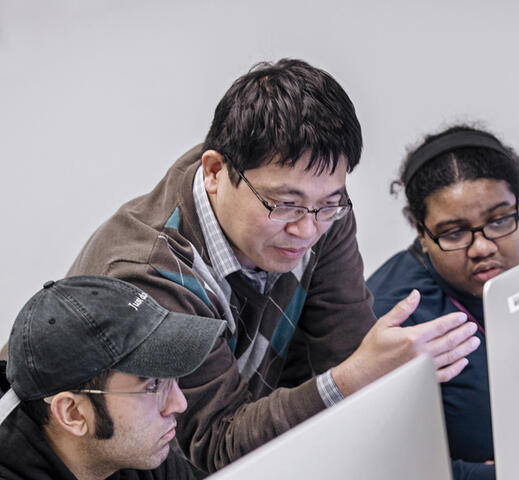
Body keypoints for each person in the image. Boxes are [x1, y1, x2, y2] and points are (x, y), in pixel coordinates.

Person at [59, 59, 480, 473]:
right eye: (286, 204)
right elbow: (214, 447)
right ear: (214, 173)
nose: (307, 229)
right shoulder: (151, 276)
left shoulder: (319, 216)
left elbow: (345, 355)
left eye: (329, 203)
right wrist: (351, 378)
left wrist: (377, 372)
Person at [366, 124, 519, 480]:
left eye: (500, 220)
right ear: (421, 232)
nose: (483, 247)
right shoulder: (392, 315)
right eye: (454, 232)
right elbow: (379, 461)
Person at [0, 275, 226, 479]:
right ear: (73, 413)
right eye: (153, 385)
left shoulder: (139, 453)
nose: (179, 403)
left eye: (172, 379)